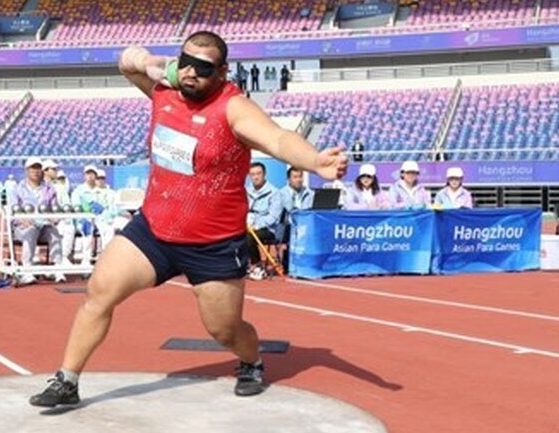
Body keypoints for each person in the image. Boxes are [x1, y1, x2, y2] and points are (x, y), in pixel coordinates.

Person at [29, 31, 347, 408]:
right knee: (100, 292)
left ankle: (251, 360)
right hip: (154, 230)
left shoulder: (234, 108)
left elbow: (277, 139)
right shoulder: (163, 90)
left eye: (204, 67)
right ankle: (67, 379)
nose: (193, 73)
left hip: (212, 243)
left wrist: (314, 161)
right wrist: (152, 61)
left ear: (223, 72)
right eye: (187, 63)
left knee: (224, 330)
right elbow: (126, 61)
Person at [10, 158, 65, 286]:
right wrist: (22, 219)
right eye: (32, 168)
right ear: (27, 170)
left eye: (38, 168)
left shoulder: (49, 189)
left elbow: (54, 207)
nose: (36, 171)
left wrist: (54, 218)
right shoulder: (18, 189)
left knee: (55, 234)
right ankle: (27, 270)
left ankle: (58, 268)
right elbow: (13, 209)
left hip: (44, 226)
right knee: (31, 231)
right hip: (24, 228)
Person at [245, 162, 284, 279]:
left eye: (259, 173)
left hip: (267, 229)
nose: (256, 177)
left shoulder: (274, 193)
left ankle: (257, 266)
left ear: (264, 174)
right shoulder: (246, 191)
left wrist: (257, 224)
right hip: (247, 225)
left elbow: (273, 217)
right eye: (253, 174)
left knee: (248, 236)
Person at [277, 166, 313, 270]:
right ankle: (289, 260)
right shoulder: (281, 194)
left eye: (300, 176)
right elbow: (280, 215)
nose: (299, 179)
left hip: (306, 226)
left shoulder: (310, 193)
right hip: (287, 227)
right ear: (289, 179)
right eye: (295, 177)